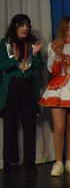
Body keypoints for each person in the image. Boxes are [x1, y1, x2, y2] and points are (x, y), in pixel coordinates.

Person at [39, 16, 70, 176]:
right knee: (59, 128)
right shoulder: (54, 46)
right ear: (63, 28)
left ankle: (69, 160)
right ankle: (58, 162)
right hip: (59, 89)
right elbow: (54, 71)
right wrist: (58, 57)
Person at [0, 14, 43, 178]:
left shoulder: (33, 43)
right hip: (12, 86)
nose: (25, 28)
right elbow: (0, 65)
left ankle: (30, 163)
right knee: (10, 125)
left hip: (28, 86)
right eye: (21, 25)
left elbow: (39, 67)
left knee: (30, 125)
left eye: (27, 25)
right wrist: (14, 59)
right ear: (15, 27)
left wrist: (36, 55)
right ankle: (8, 163)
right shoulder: (5, 43)